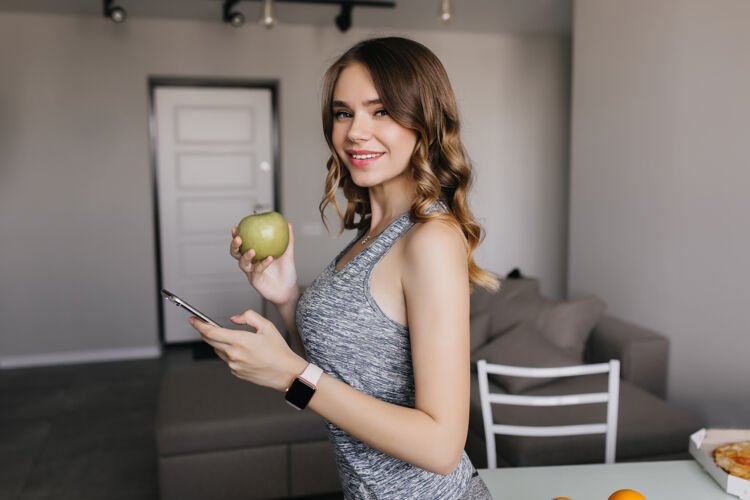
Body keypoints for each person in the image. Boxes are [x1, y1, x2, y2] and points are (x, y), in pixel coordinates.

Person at [189, 36, 499, 499]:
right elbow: (337, 376)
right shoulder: (369, 236)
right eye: (343, 112)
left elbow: (441, 447)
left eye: (381, 111)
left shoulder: (429, 238)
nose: (355, 132)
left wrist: (292, 376)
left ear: (425, 122)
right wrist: (287, 298)